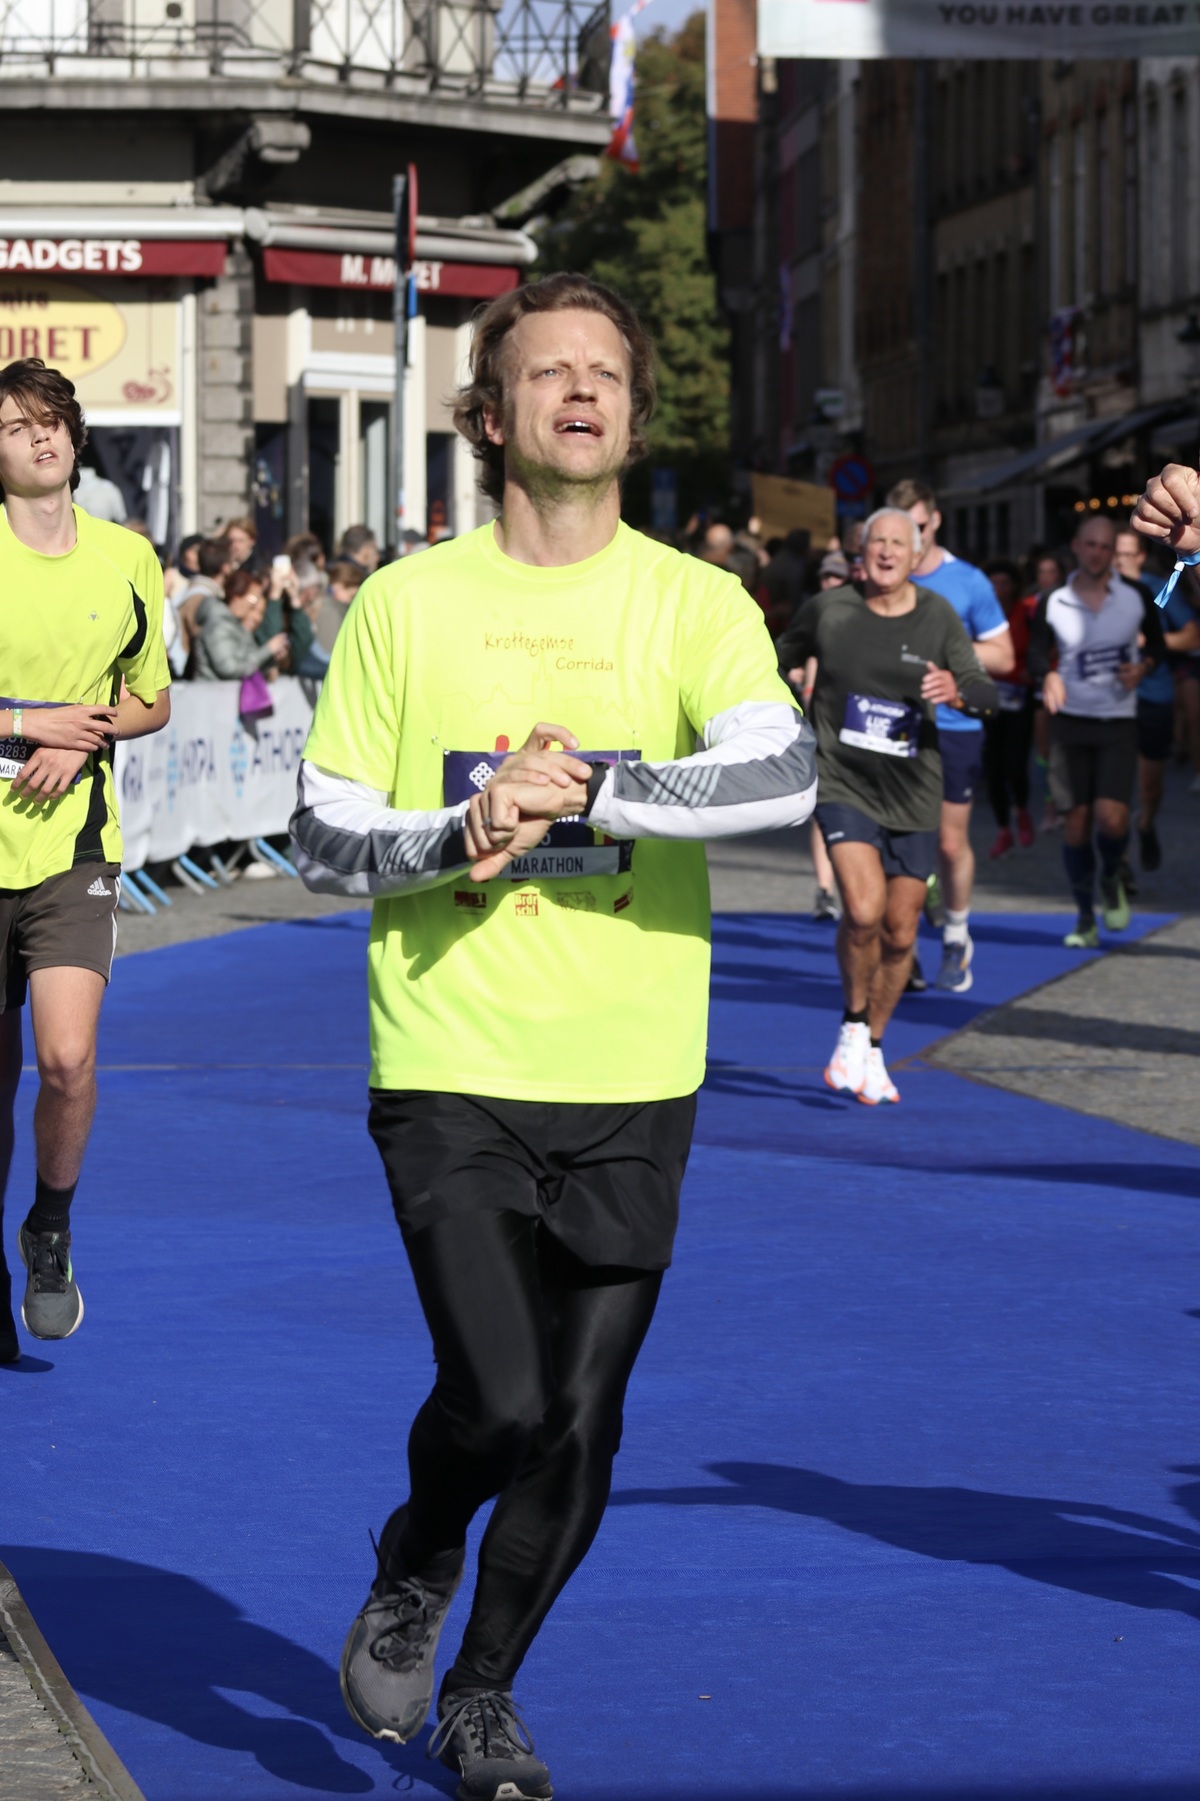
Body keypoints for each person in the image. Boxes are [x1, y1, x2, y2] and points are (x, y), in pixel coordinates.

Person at [289, 272, 817, 1799]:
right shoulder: (407, 604)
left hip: (634, 1067)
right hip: (451, 1058)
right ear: (487, 413)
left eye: (605, 374)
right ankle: (416, 1550)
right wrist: (466, 828)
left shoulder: (693, 601)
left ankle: (484, 1695)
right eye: (547, 371)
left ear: (634, 417)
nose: (580, 390)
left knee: (582, 1427)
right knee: (503, 1398)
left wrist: (596, 791)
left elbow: (781, 774)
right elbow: (321, 835)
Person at [0, 357, 171, 1363]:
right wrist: (29, 724)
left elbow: (153, 699)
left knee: (65, 1059)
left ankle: (50, 1227)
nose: (40, 435)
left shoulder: (127, 556)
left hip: (73, 850)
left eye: (53, 419)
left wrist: (87, 732)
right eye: (17, 424)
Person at [788, 509, 994, 1101]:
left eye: (898, 543)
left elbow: (986, 692)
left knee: (901, 932)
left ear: (916, 553)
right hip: (842, 780)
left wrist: (958, 692)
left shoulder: (937, 615)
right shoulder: (829, 610)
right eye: (876, 541)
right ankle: (853, 1024)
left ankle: (874, 1046)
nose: (885, 551)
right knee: (864, 909)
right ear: (861, 551)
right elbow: (772, 657)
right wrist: (789, 696)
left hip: (914, 789)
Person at [888, 480, 1014, 993]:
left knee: (947, 840)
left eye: (918, 526)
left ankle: (957, 933)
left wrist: (949, 653)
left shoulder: (968, 581)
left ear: (935, 520)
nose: (910, 539)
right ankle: (903, 947)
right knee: (898, 839)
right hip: (891, 724)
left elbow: (1004, 656)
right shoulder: (881, 575)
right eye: (900, 528)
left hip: (954, 725)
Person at [1027, 514, 1165, 948]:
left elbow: (1157, 645)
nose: (1097, 553)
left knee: (1111, 818)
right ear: (1076, 546)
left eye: (1105, 547)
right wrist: (1047, 675)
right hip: (1069, 721)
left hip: (1117, 720)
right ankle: (1085, 917)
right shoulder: (1054, 600)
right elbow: (1034, 654)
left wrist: (1142, 667)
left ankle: (1111, 875)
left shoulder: (1135, 595)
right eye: (1090, 544)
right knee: (1076, 826)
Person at [1113, 526, 1200, 870]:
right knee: (1113, 787)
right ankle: (1117, 858)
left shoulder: (1159, 590)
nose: (1119, 561)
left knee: (1150, 786)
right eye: (1114, 554)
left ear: (1140, 557)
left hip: (1153, 694)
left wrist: (1149, 641)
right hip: (1109, 700)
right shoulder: (1093, 591)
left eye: (1126, 555)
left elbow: (1193, 637)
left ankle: (1146, 822)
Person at [775, 549, 852, 921]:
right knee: (825, 809)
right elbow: (784, 656)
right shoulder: (814, 613)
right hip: (821, 725)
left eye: (838, 577)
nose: (831, 582)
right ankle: (825, 890)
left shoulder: (859, 615)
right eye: (826, 576)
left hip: (860, 728)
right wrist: (795, 675)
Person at [981, 558, 1037, 858]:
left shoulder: (1026, 611)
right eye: (994, 584)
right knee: (993, 768)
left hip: (1019, 699)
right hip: (988, 699)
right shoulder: (980, 614)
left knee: (1015, 766)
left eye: (1005, 583)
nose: (1000, 589)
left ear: (1015, 586)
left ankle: (1021, 809)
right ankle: (1003, 828)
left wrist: (1033, 671)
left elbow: (1041, 647)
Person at [192, 567, 289, 682]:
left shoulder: (236, 625)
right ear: (236, 597)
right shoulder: (217, 625)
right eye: (253, 599)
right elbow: (229, 669)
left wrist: (269, 663)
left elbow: (246, 661)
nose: (255, 604)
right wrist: (268, 650)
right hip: (212, 691)